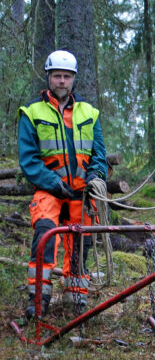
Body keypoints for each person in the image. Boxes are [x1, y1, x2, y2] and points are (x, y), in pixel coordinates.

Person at [18, 50, 107, 319]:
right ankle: (38, 300)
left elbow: (99, 154)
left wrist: (95, 176)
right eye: (57, 76)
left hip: (82, 192)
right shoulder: (31, 112)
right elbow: (29, 159)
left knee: (81, 244)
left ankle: (75, 298)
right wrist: (54, 184)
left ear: (73, 79)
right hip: (49, 191)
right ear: (49, 77)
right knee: (45, 236)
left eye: (66, 76)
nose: (61, 81)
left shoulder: (90, 113)